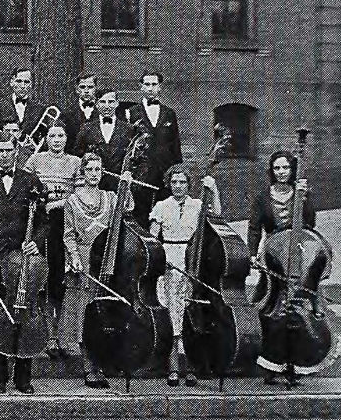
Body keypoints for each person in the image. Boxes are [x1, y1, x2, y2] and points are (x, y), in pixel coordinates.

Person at [0, 133, 45, 394]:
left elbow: (43, 222)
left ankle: (23, 378)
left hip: (22, 260)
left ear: (16, 151)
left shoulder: (30, 180)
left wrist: (35, 242)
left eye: (7, 150)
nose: (3, 155)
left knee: (25, 314)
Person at [248, 150, 319, 386]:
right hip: (273, 256)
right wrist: (252, 253)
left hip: (298, 254)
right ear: (272, 170)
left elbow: (310, 224)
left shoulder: (301, 193)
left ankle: (297, 361)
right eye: (277, 168)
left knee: (298, 309)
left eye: (285, 168)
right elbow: (254, 227)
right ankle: (271, 363)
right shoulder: (263, 197)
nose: (281, 172)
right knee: (270, 309)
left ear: (292, 170)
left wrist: (304, 198)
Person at [63, 153, 133, 389]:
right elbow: (69, 235)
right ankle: (89, 367)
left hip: (108, 258)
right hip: (85, 258)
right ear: (83, 172)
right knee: (86, 313)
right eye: (90, 169)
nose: (94, 174)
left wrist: (126, 184)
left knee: (107, 311)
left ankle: (104, 360)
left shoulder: (111, 197)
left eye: (98, 169)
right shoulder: (72, 201)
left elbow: (128, 207)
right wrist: (74, 256)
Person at [149, 162, 221, 387]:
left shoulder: (198, 205)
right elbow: (153, 238)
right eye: (174, 182)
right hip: (169, 259)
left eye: (182, 182)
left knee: (191, 314)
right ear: (169, 184)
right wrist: (161, 257)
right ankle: (173, 367)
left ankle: (191, 367)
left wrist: (213, 188)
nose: (178, 186)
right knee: (173, 313)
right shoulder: (162, 206)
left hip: (192, 259)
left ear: (189, 184)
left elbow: (217, 214)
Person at [22, 122, 81, 360]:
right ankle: (45, 334)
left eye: (61, 135)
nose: (57, 140)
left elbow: (78, 195)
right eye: (52, 135)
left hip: (65, 224)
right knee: (41, 279)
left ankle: (61, 335)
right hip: (41, 224)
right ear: (46, 138)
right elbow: (26, 190)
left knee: (60, 280)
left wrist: (56, 203)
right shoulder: (35, 160)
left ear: (66, 138)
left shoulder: (75, 162)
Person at [127, 72, 183, 225]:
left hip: (164, 174)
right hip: (141, 175)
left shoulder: (169, 113)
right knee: (140, 213)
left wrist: (176, 171)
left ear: (160, 87)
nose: (150, 88)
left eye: (154, 84)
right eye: (147, 84)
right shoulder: (131, 113)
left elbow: (175, 144)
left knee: (165, 214)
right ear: (141, 87)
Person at [73, 88, 132, 190]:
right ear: (96, 104)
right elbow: (78, 155)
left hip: (120, 185)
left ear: (117, 103)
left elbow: (134, 158)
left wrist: (128, 174)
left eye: (111, 102)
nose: (107, 106)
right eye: (103, 102)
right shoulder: (86, 128)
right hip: (93, 185)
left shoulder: (129, 129)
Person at [0, 68, 47, 147]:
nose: (23, 86)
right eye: (19, 81)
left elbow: (46, 137)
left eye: (26, 82)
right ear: (12, 82)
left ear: (31, 84)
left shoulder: (39, 109)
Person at [60, 73, 98, 152]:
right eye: (82, 87)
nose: (86, 91)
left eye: (90, 87)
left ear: (96, 89)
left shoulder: (103, 111)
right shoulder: (67, 113)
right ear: (77, 90)